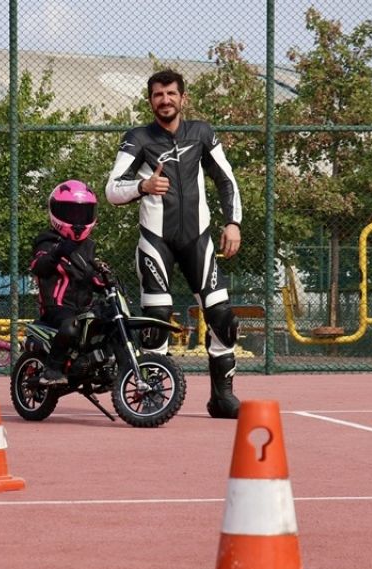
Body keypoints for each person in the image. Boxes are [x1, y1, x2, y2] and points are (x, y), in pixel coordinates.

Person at [105, 68, 245, 418]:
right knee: (157, 319)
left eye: (171, 94)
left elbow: (226, 181)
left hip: (199, 239)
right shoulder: (138, 138)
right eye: (157, 95)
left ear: (183, 98)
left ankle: (222, 398)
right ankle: (154, 395)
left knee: (223, 317)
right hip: (156, 241)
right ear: (150, 100)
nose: (164, 100)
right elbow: (110, 190)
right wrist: (143, 187)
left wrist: (233, 224)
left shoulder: (202, 133)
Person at [29, 179, 103, 386]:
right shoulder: (48, 240)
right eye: (71, 213)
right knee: (72, 325)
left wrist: (104, 279)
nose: (77, 219)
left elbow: (90, 273)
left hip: (83, 307)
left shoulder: (89, 246)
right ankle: (51, 369)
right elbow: (39, 265)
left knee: (110, 320)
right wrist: (57, 252)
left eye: (82, 213)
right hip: (56, 309)